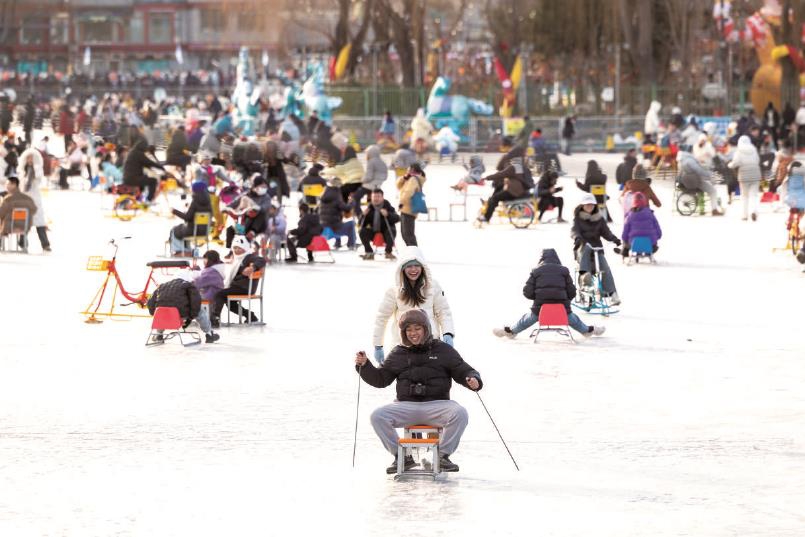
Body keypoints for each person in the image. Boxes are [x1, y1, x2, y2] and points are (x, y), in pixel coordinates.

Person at [355, 308, 481, 473]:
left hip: (437, 405)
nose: (413, 333)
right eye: (408, 330)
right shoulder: (398, 352)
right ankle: (402, 457)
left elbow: (463, 370)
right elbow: (381, 379)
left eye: (417, 328)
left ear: (426, 329)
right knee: (377, 416)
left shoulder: (443, 350)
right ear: (403, 332)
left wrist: (474, 380)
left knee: (460, 413)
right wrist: (365, 366)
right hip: (406, 406)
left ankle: (442, 456)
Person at [492, 249, 605, 339]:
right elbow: (572, 292)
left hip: (540, 309)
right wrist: (563, 299)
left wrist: (538, 297)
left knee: (527, 319)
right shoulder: (564, 270)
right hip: (562, 309)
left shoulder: (536, 271)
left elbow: (527, 292)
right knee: (573, 318)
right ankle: (588, 331)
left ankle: (511, 331)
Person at [372, 246, 454, 363]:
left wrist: (448, 333)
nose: (413, 269)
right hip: (404, 348)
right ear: (402, 269)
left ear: (423, 267)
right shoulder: (394, 291)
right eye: (409, 266)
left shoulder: (433, 286)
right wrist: (378, 345)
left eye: (417, 265)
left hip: (430, 345)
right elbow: (381, 318)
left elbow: (443, 312)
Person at [572, 193, 621, 305]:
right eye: (587, 205)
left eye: (591, 205)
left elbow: (606, 232)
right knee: (585, 251)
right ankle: (586, 280)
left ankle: (612, 293)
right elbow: (574, 230)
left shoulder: (599, 219)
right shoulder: (578, 219)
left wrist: (614, 240)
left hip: (597, 248)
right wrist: (577, 238)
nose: (589, 207)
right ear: (582, 206)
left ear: (595, 206)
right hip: (583, 246)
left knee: (605, 268)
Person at [147, 271, 220, 344]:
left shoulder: (162, 286)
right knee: (200, 309)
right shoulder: (188, 285)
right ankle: (209, 334)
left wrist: (154, 313)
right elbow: (195, 302)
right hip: (180, 315)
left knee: (163, 310)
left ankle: (159, 335)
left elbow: (150, 303)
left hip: (162, 317)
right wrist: (191, 317)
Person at [211, 235, 266, 326]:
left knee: (219, 294)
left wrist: (253, 267)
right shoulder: (238, 259)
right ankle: (251, 316)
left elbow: (261, 260)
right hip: (239, 287)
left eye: (239, 248)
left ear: (245, 247)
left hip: (245, 287)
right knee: (231, 305)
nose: (236, 250)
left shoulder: (249, 257)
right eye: (234, 248)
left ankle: (215, 317)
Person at [477, 152, 530, 223]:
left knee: (495, 198)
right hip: (518, 191)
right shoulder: (520, 167)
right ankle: (490, 205)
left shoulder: (513, 167)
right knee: (497, 194)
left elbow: (501, 174)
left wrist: (486, 178)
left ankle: (486, 217)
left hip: (513, 192)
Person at [17, 148, 51, 251]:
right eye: (28, 157)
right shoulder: (22, 169)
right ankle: (23, 243)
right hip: (24, 197)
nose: (30, 159)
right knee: (24, 220)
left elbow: (39, 178)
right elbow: (21, 182)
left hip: (35, 197)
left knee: (39, 221)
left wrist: (34, 169)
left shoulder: (37, 169)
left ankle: (45, 244)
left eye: (31, 157)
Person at [169, 181, 212, 256]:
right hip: (205, 230)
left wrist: (174, 211)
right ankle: (187, 251)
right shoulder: (208, 202)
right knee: (181, 228)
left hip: (193, 230)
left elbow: (187, 218)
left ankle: (180, 251)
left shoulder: (195, 201)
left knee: (174, 230)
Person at [676, 150, 724, 215]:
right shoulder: (690, 161)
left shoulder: (683, 160)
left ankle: (703, 209)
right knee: (713, 191)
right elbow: (700, 171)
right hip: (694, 181)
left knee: (706, 184)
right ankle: (714, 210)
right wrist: (711, 175)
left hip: (687, 181)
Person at [728, 135, 762, 221]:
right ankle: (754, 211)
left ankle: (744, 215)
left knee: (744, 195)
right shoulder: (753, 149)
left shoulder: (739, 151)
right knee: (754, 194)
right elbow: (757, 160)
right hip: (755, 173)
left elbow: (736, 162)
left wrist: (730, 165)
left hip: (744, 175)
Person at [359, 188, 399, 260]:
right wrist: (363, 216)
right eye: (374, 197)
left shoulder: (388, 206)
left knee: (392, 230)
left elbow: (397, 218)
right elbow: (361, 224)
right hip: (373, 231)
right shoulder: (369, 208)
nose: (376, 199)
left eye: (378, 196)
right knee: (362, 231)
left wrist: (388, 214)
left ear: (382, 198)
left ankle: (388, 252)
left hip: (385, 231)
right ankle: (369, 252)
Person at [319, 176, 356, 249]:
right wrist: (352, 202)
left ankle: (337, 243)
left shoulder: (324, 194)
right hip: (334, 229)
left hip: (323, 228)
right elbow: (347, 209)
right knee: (351, 224)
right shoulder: (336, 195)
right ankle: (351, 244)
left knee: (336, 220)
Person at [0, 177, 38, 249]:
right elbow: (34, 209)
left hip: (10, 226)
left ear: (14, 185)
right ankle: (23, 243)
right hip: (25, 226)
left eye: (8, 184)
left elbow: (1, 213)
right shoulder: (28, 198)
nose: (6, 186)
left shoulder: (8, 199)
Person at [621, 192, 662, 257]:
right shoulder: (650, 214)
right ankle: (648, 252)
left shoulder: (630, 215)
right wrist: (657, 237)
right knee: (650, 240)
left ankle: (624, 252)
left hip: (634, 245)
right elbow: (658, 230)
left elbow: (625, 233)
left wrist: (625, 241)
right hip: (651, 245)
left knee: (627, 240)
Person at [396, 163, 426, 246]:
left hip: (408, 208)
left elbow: (408, 192)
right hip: (408, 209)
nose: (407, 171)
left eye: (408, 169)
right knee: (406, 234)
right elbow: (398, 186)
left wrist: (401, 203)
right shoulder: (411, 178)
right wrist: (404, 178)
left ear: (412, 170)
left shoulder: (413, 179)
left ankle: (414, 252)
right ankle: (411, 252)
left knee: (407, 234)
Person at [354, 144, 388, 213]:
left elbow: (368, 177)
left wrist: (361, 180)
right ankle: (371, 214)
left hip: (368, 186)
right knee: (372, 201)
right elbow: (385, 176)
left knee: (355, 198)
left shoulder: (371, 162)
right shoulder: (383, 162)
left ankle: (360, 215)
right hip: (378, 186)